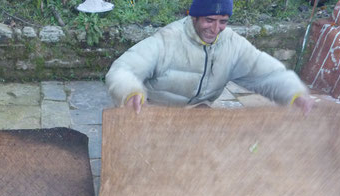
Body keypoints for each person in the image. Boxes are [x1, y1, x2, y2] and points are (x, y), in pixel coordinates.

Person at [105, 0, 314, 114]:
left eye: (223, 21)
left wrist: (293, 92)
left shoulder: (233, 44)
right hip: (157, 111)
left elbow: (265, 73)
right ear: (194, 16)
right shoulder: (167, 40)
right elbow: (123, 69)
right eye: (209, 20)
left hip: (199, 112)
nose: (215, 29)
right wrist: (131, 92)